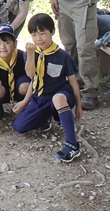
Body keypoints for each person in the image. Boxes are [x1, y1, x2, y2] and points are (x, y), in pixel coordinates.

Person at [13, 14, 83, 163]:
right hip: (41, 98)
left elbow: (73, 82)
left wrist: (78, 106)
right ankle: (47, 118)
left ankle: (72, 144)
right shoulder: (30, 53)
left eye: (43, 33)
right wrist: (25, 102)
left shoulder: (62, 55)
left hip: (61, 95)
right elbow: (31, 76)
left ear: (52, 32)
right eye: (34, 34)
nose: (39, 38)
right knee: (19, 126)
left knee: (58, 99)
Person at [0, 24, 31, 123]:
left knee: (25, 85)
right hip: (2, 92)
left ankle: (25, 106)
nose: (3, 47)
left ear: (15, 43)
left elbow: (32, 77)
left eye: (7, 42)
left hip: (18, 90)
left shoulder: (22, 56)